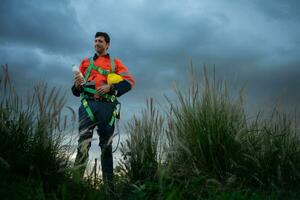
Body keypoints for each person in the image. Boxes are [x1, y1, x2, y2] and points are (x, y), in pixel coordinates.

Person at [71, 32, 135, 186]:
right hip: (88, 106)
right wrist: (77, 85)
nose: (97, 43)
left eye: (100, 41)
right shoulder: (85, 63)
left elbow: (129, 83)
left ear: (107, 45)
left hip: (107, 107)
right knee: (83, 144)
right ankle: (75, 185)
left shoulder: (115, 63)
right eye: (95, 41)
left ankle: (109, 189)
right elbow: (75, 91)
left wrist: (111, 87)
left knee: (106, 146)